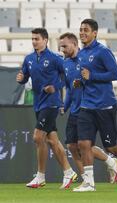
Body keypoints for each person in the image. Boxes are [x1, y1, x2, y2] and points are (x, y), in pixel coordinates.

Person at [73, 19, 117, 192]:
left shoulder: (103, 51)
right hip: (86, 105)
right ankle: (89, 182)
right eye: (81, 30)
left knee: (110, 145)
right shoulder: (80, 54)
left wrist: (92, 75)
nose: (82, 33)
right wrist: (80, 82)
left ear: (95, 33)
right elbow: (86, 77)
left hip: (104, 105)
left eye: (86, 30)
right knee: (83, 144)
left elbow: (115, 74)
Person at [16, 28, 77, 189]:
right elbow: (24, 77)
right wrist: (21, 79)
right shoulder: (28, 59)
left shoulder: (55, 58)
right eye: (33, 39)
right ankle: (68, 171)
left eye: (37, 39)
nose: (34, 41)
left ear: (45, 40)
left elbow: (67, 76)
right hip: (38, 103)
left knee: (37, 137)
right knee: (52, 140)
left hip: (51, 103)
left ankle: (41, 176)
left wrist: (55, 87)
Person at [58, 32, 117, 185]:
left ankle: (89, 177)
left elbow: (110, 74)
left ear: (74, 44)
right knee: (72, 146)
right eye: (61, 47)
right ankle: (108, 163)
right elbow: (70, 89)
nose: (62, 50)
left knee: (85, 144)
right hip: (75, 109)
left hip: (89, 107)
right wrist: (64, 107)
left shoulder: (86, 58)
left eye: (65, 46)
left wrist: (91, 76)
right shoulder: (65, 64)